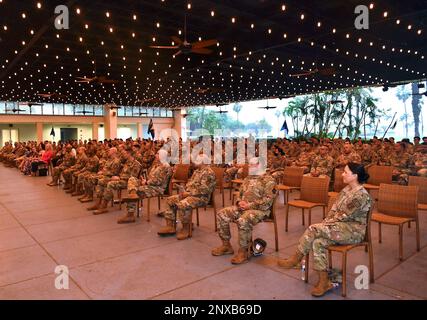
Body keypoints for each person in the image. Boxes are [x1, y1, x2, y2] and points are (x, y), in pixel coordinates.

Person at [277, 163, 372, 297]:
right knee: (318, 242)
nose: (342, 174)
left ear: (355, 175)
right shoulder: (346, 190)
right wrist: (326, 224)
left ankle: (296, 259)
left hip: (353, 231)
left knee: (313, 228)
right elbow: (333, 210)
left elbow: (344, 216)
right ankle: (324, 281)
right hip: (338, 227)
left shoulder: (361, 195)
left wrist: (324, 226)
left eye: (345, 172)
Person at [211, 157, 276, 265]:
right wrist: (239, 202)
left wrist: (249, 205)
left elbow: (268, 201)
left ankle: (243, 251)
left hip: (260, 210)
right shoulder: (248, 179)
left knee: (243, 220)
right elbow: (239, 194)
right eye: (249, 164)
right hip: (244, 207)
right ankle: (226, 245)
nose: (249, 166)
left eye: (252, 164)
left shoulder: (269, 180)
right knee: (222, 213)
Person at [157, 154, 216, 240]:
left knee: (183, 204)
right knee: (170, 200)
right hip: (190, 194)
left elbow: (205, 190)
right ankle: (170, 226)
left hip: (202, 198)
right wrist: (184, 191)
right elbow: (190, 184)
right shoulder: (197, 171)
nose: (193, 162)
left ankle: (186, 228)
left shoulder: (209, 173)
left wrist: (188, 194)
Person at [118, 149, 173, 223]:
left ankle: (130, 214)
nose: (155, 155)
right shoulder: (156, 165)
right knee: (132, 179)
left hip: (157, 188)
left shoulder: (166, 167)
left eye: (157, 154)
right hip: (150, 185)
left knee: (136, 190)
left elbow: (158, 181)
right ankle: (133, 194)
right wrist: (145, 180)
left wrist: (146, 182)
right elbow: (151, 177)